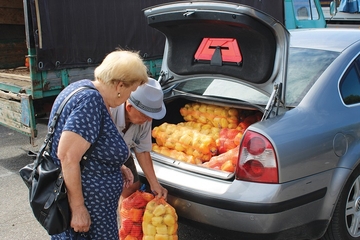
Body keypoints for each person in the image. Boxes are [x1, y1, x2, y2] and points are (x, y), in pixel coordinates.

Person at [49, 49, 149, 239]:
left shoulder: (83, 88)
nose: (129, 96)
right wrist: (78, 208)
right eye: (131, 89)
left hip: (97, 209)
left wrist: (115, 165)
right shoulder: (91, 101)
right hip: (90, 211)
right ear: (120, 85)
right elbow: (68, 156)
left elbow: (90, 147)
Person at [110, 78, 168, 203]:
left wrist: (155, 184)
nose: (149, 120)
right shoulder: (109, 111)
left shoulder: (145, 120)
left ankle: (126, 218)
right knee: (109, 191)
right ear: (129, 107)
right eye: (146, 115)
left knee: (131, 191)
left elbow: (142, 151)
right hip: (100, 154)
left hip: (123, 152)